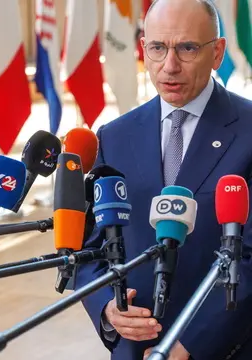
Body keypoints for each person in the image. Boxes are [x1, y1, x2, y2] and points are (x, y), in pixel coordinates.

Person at [75, 0, 252, 359]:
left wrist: (190, 345)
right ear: (143, 48)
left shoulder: (249, 131)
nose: (169, 66)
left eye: (187, 48)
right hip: (133, 349)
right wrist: (108, 310)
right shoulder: (114, 136)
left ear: (217, 52)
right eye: (158, 48)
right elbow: (90, 246)